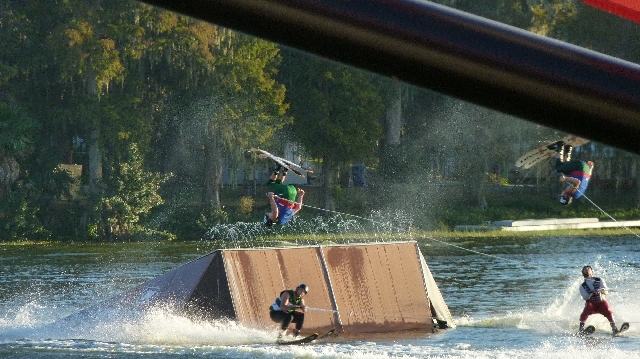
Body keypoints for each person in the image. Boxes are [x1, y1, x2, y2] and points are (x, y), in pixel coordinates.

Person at [578, 265, 619, 335]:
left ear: (592, 271)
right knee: (586, 311)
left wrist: (601, 291)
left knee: (608, 311)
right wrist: (591, 294)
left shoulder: (599, 280)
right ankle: (581, 328)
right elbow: (585, 297)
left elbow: (606, 291)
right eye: (585, 269)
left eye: (589, 268)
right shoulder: (582, 286)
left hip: (601, 302)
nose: (587, 269)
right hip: (591, 303)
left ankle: (614, 328)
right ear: (583, 273)